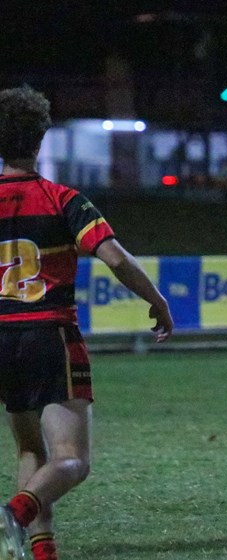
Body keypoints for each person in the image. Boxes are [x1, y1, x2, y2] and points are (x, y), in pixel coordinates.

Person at [0, 85, 174, 560]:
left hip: (3, 337)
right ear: (40, 140)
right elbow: (115, 258)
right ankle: (15, 512)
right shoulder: (62, 199)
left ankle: (41, 549)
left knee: (28, 450)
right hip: (49, 335)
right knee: (71, 460)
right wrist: (156, 299)